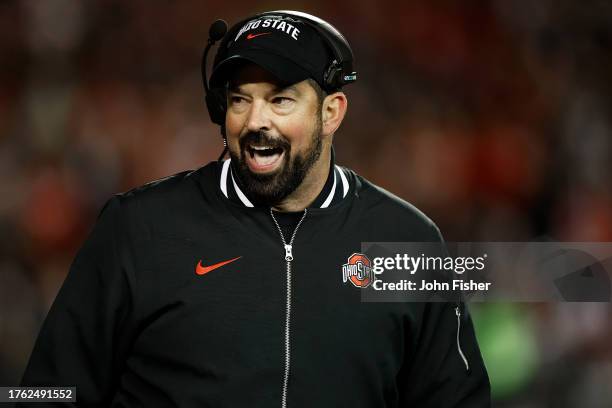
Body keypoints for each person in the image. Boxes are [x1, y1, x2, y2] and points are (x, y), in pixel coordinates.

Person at [20, 10, 491, 407]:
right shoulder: (139, 227)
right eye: (240, 100)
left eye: (280, 100)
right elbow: (46, 392)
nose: (255, 121)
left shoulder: (408, 239)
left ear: (331, 113)